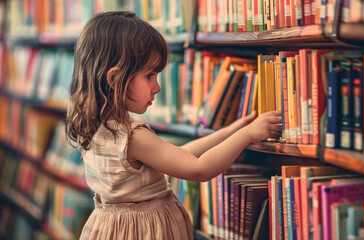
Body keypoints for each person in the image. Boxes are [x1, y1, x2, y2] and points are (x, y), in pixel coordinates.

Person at [65, 11, 282, 240]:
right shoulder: (133, 136)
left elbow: (177, 157)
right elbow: (198, 169)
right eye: (150, 75)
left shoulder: (94, 127)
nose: (157, 87)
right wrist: (247, 135)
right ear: (114, 78)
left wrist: (229, 132)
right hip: (145, 231)